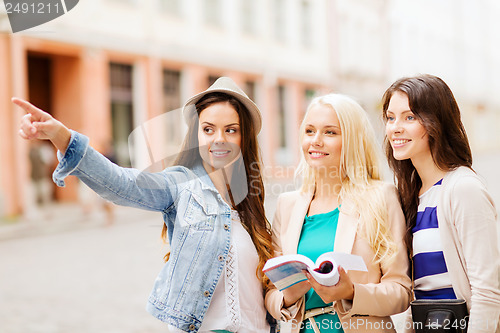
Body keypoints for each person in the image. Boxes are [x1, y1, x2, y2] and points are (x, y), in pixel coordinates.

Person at [14, 77, 274, 333]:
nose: (219, 139)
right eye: (208, 129)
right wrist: (62, 137)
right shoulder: (182, 185)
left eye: (231, 129)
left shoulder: (251, 200)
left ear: (244, 136)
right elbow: (124, 184)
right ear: (196, 134)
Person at [265, 93, 412, 333]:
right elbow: (270, 291)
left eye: (330, 132)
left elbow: (401, 291)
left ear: (352, 140)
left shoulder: (381, 197)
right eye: (310, 131)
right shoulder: (286, 204)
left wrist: (352, 292)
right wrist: (286, 298)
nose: (316, 141)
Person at [382, 74, 500, 333]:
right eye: (391, 118)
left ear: (436, 123)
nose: (395, 128)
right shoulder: (410, 195)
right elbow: (420, 292)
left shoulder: (463, 188)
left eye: (409, 117)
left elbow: (488, 293)